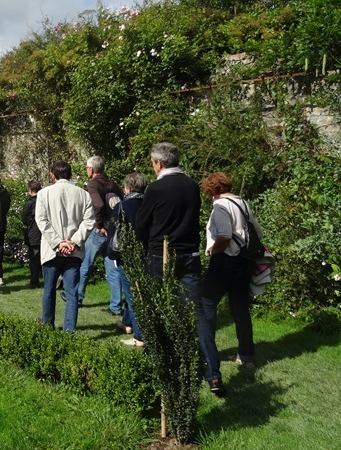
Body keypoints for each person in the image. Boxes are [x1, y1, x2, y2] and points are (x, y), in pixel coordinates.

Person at [135, 143, 224, 396]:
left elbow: (141, 221)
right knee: (197, 313)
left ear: (159, 164)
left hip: (161, 254)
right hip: (189, 253)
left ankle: (163, 363)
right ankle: (213, 374)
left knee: (160, 307)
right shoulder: (191, 185)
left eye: (153, 163)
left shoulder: (156, 188)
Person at [200, 172, 263, 381]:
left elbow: (225, 236)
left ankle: (207, 352)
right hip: (245, 260)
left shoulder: (220, 206)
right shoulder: (242, 203)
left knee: (207, 303)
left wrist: (212, 251)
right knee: (240, 308)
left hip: (226, 260)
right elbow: (257, 231)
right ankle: (246, 355)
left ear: (213, 190)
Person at [36, 160, 94, 333]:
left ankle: (47, 326)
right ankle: (69, 331)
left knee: (49, 290)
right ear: (70, 174)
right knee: (72, 293)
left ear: (53, 175)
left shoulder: (44, 193)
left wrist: (58, 242)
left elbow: (41, 220)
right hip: (73, 251)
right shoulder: (83, 194)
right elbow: (89, 221)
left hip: (52, 250)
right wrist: (73, 241)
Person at [68, 156, 123, 311]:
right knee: (112, 270)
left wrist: (99, 224)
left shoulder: (93, 184)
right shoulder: (112, 183)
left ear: (91, 169)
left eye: (87, 167)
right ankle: (116, 306)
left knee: (85, 265)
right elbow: (121, 202)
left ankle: (77, 298)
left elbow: (97, 205)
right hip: (112, 232)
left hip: (99, 231)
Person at [107, 172, 147, 347]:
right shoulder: (149, 205)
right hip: (147, 253)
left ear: (128, 188)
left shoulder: (122, 206)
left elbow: (113, 232)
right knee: (136, 291)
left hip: (127, 254)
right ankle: (128, 323)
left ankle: (139, 336)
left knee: (132, 295)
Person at [21, 179, 43, 288]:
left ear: (30, 190)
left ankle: (35, 280)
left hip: (34, 232)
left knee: (34, 257)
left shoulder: (30, 203)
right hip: (45, 232)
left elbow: (24, 219)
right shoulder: (44, 200)